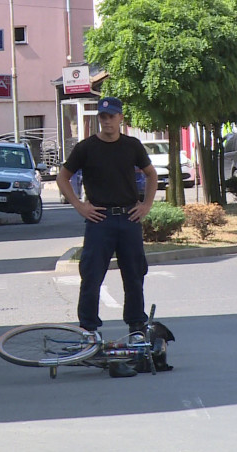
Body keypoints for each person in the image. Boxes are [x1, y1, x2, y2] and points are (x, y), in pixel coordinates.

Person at [56, 97, 158, 378]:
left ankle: (136, 328)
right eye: (103, 117)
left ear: (121, 118)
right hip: (99, 219)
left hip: (128, 218)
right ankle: (88, 330)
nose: (107, 121)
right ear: (98, 119)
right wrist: (80, 206)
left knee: (134, 275)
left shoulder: (132, 146)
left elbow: (151, 175)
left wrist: (146, 205)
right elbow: (63, 177)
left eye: (112, 116)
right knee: (91, 275)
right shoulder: (86, 148)